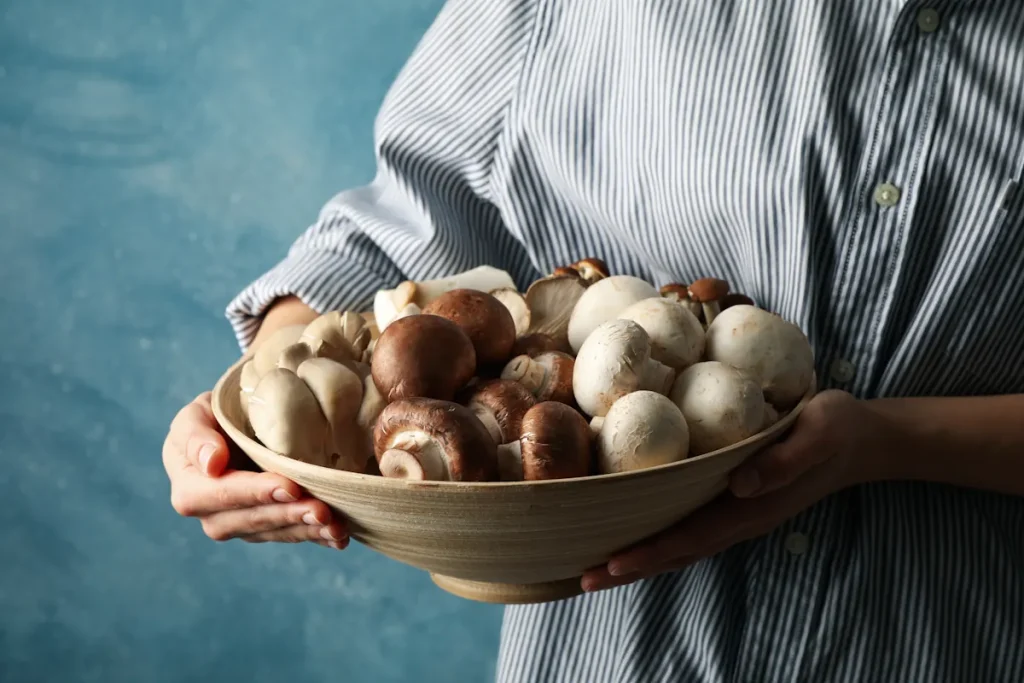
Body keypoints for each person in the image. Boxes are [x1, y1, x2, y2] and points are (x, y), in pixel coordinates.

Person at [163, 1, 1024, 680]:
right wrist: (265, 398)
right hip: (617, 642)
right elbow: (401, 241)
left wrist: (890, 440)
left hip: (950, 635)